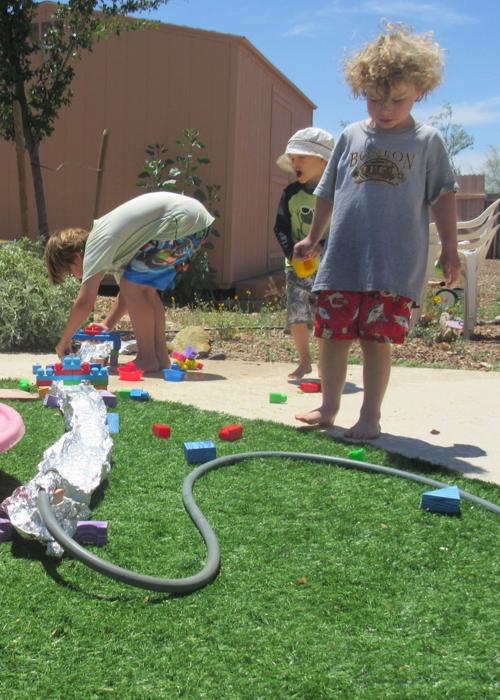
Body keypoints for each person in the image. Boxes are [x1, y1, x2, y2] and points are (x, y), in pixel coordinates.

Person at [293, 24, 461, 439]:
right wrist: (313, 238)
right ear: (360, 92)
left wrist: (451, 250)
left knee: (374, 341)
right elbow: (328, 191)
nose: (385, 109)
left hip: (393, 264)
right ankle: (329, 407)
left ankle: (370, 417)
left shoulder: (427, 141)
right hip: (342, 260)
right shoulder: (351, 136)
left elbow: (443, 196)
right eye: (374, 99)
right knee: (332, 336)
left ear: (418, 91)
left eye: (397, 100)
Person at [44, 191, 214, 373]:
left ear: (77, 257)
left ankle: (147, 358)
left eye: (70, 273)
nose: (77, 278)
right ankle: (160, 358)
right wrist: (107, 324)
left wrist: (65, 340)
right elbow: (127, 296)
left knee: (134, 286)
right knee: (145, 289)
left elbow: (85, 303)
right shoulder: (118, 249)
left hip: (181, 220)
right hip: (196, 225)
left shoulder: (97, 243)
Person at [274, 126, 334, 380]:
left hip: (329, 268)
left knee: (324, 317)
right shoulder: (290, 194)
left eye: (302, 157)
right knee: (297, 315)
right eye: (293, 158)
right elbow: (280, 227)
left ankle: (324, 365)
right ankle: (304, 361)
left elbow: (344, 227)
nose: (295, 163)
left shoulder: (336, 194)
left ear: (323, 161)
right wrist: (292, 253)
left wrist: (323, 246)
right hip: (297, 267)